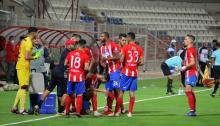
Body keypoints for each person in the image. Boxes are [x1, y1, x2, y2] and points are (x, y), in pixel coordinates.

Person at [34, 39, 75, 115]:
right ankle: (61, 110)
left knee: (49, 89)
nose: (74, 46)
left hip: (55, 71)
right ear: (69, 45)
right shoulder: (70, 53)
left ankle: (38, 105)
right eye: (73, 44)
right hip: (61, 73)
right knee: (67, 92)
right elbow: (66, 64)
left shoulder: (65, 51)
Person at [11, 27, 40, 115]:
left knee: (22, 87)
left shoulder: (25, 40)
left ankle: (14, 107)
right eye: (37, 33)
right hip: (23, 66)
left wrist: (33, 54)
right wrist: (35, 57)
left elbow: (25, 53)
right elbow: (27, 57)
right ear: (33, 33)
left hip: (22, 65)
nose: (37, 34)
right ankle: (22, 109)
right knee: (24, 87)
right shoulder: (28, 42)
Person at [115, 32, 144, 117]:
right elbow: (142, 62)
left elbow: (121, 60)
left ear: (129, 38)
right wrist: (134, 63)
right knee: (132, 93)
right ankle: (130, 112)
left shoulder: (125, 47)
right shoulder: (139, 48)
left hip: (126, 72)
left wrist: (121, 57)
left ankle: (117, 111)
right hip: (134, 73)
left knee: (121, 92)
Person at [64, 39, 90, 117]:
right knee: (79, 95)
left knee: (69, 94)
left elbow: (65, 64)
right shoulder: (85, 56)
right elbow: (86, 68)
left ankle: (67, 111)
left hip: (71, 76)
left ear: (78, 46)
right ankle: (78, 112)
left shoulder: (70, 53)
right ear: (84, 46)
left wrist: (72, 67)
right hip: (80, 77)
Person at [99, 32, 121, 116]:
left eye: (102, 36)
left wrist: (107, 58)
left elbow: (117, 56)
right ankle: (109, 110)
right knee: (108, 91)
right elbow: (102, 60)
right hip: (108, 72)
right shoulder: (101, 48)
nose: (100, 38)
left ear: (106, 37)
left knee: (117, 91)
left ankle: (118, 110)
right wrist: (103, 64)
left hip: (115, 71)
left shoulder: (113, 45)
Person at [180, 34, 197, 117]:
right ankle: (193, 110)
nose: (184, 41)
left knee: (188, 91)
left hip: (191, 72)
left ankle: (192, 111)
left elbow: (193, 62)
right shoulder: (190, 49)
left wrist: (184, 67)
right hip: (189, 72)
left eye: (186, 39)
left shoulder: (190, 50)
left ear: (190, 41)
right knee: (190, 91)